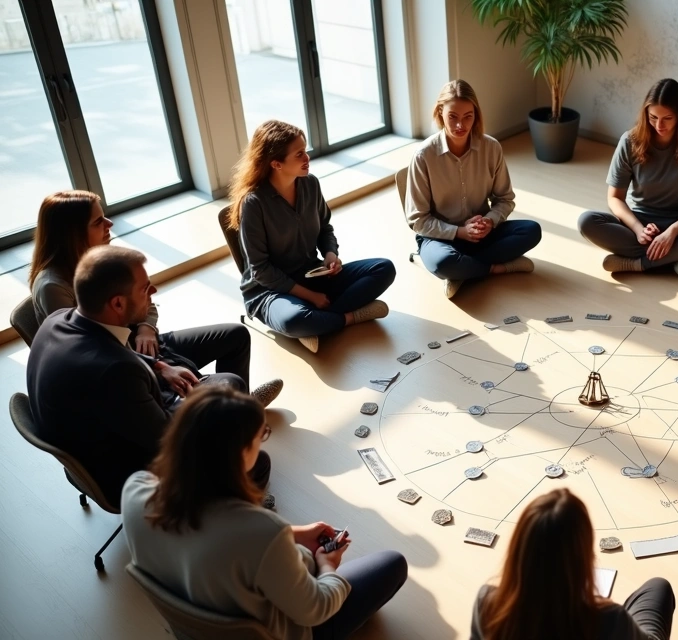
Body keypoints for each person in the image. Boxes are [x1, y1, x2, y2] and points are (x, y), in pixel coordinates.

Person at [123, 386, 407, 640]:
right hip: (284, 631)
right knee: (392, 564)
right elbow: (315, 610)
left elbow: (210, 542)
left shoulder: (134, 490)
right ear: (241, 451)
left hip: (197, 624)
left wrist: (293, 535)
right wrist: (327, 564)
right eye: (262, 435)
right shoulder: (262, 532)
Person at [27, 246, 273, 505]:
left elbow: (113, 351)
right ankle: (232, 514)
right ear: (118, 303)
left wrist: (157, 366)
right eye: (145, 288)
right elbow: (167, 444)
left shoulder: (59, 319)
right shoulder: (115, 372)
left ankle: (236, 419)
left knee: (228, 385)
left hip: (100, 432)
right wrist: (201, 408)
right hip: (125, 471)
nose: (153, 291)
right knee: (258, 463)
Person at [27, 190, 282, 405]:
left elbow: (143, 297)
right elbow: (91, 349)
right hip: (122, 365)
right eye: (98, 222)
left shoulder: (100, 256)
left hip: (141, 344)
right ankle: (230, 414)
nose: (110, 224)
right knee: (223, 381)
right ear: (72, 234)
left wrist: (147, 328)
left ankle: (239, 407)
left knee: (235, 335)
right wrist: (159, 367)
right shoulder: (53, 287)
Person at [228, 119, 396, 353]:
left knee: (384, 268)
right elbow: (260, 270)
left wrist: (330, 254)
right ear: (276, 164)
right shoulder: (254, 204)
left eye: (305, 151)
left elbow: (325, 228)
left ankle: (316, 323)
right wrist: (311, 296)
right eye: (299, 154)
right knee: (294, 320)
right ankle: (347, 318)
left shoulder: (310, 184)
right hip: (270, 291)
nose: (307, 158)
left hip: (313, 273)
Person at [471, 488, 676, 640]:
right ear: (583, 558)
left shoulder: (486, 604)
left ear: (518, 550)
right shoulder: (610, 620)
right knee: (659, 586)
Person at [405, 79, 541, 299]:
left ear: (476, 114)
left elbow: (505, 199)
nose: (461, 125)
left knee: (531, 231)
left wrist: (489, 221)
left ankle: (463, 272)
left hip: (482, 234)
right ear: (440, 113)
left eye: (468, 116)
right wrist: (458, 232)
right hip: (440, 238)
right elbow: (418, 221)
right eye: (453, 117)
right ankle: (497, 268)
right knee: (443, 262)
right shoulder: (424, 156)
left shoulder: (491, 148)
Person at [578, 78, 678, 280]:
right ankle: (674, 259)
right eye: (653, 117)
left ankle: (638, 263)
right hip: (638, 220)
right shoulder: (629, 141)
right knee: (586, 221)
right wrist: (638, 229)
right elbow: (614, 198)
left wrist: (671, 233)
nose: (659, 125)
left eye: (667, 118)